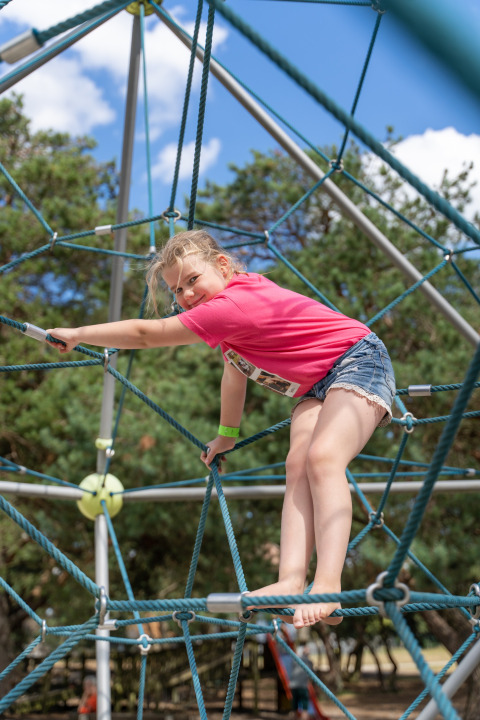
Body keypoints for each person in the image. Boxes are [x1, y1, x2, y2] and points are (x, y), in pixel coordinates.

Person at [47, 230, 396, 629]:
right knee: (297, 464)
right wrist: (226, 434)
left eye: (193, 280)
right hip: (317, 385)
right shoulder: (229, 324)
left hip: (358, 361)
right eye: (177, 290)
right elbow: (234, 377)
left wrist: (78, 334)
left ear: (223, 266)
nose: (187, 295)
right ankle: (290, 579)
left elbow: (148, 334)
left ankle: (328, 584)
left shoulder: (233, 305)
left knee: (323, 458)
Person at [289, 646, 314, 720]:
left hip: (293, 686)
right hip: (302, 686)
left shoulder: (295, 660)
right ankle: (304, 718)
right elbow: (311, 675)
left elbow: (292, 670)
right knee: (305, 706)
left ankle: (295, 717)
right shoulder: (309, 662)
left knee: (294, 705)